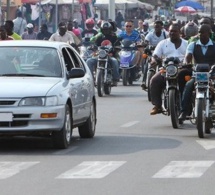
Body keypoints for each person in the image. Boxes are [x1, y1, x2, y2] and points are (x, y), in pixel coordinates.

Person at [178, 24, 215, 122]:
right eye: (199, 32)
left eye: (202, 32)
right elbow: (188, 56)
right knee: (189, 86)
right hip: (198, 74)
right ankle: (184, 111)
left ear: (209, 33)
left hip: (212, 74)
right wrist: (187, 63)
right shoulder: (192, 45)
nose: (200, 34)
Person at [149, 23, 188, 115]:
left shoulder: (186, 43)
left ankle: (190, 105)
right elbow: (155, 55)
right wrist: (154, 60)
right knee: (154, 80)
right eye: (170, 31)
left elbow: (191, 56)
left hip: (182, 69)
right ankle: (157, 106)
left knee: (190, 84)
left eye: (175, 31)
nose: (172, 33)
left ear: (180, 32)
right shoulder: (163, 43)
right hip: (166, 69)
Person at [86, 21, 120, 86]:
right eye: (104, 30)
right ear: (102, 30)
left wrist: (113, 51)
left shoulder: (114, 37)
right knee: (89, 61)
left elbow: (117, 45)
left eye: (107, 30)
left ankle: (115, 78)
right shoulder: (99, 37)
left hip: (110, 55)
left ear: (110, 29)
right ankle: (90, 78)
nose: (106, 31)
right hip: (100, 55)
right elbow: (95, 44)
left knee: (115, 61)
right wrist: (93, 47)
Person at [141, 20, 169, 90]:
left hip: (162, 54)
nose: (156, 28)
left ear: (161, 27)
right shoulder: (150, 34)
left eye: (158, 27)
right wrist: (145, 43)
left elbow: (169, 42)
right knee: (147, 64)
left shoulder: (166, 34)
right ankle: (144, 82)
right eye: (155, 27)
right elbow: (146, 41)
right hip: (152, 53)